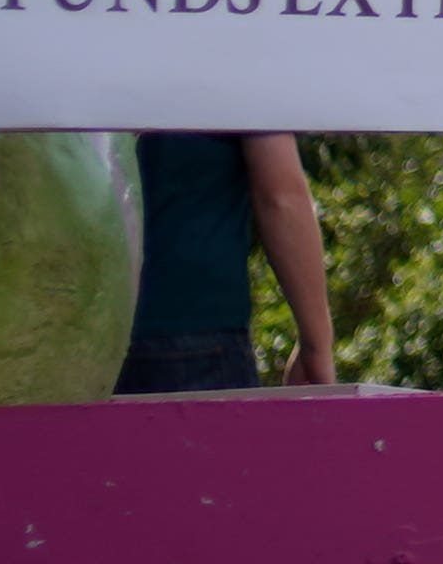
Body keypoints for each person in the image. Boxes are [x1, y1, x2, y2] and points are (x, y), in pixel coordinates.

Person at [116, 130, 337, 394]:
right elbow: (281, 197)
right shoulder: (235, 87)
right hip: (193, 331)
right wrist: (316, 346)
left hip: (75, 329)